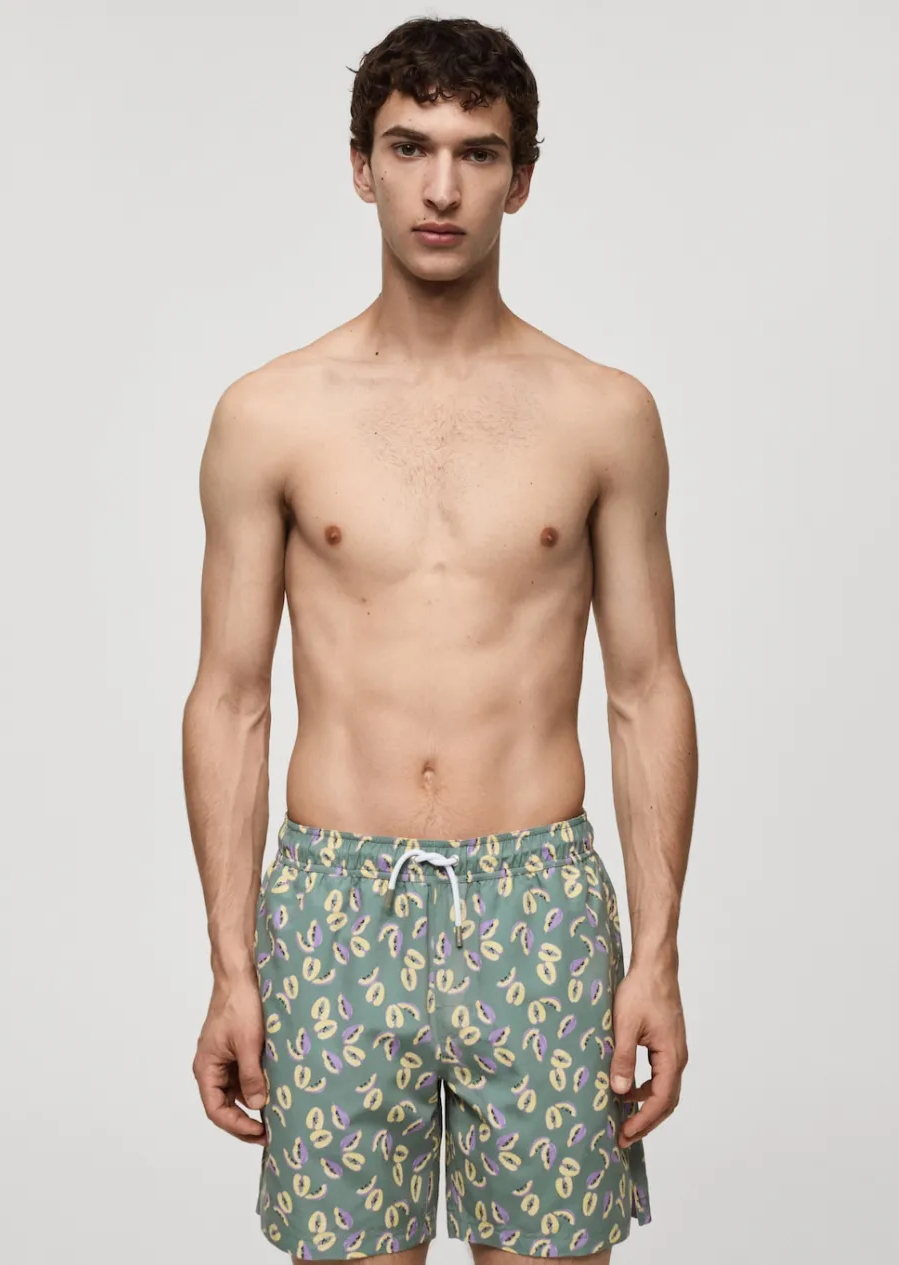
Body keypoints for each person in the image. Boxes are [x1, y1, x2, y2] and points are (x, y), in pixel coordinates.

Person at [182, 15, 696, 1264]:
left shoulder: (604, 414)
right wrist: (232, 963)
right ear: (361, 166)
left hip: (538, 907)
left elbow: (644, 690)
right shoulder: (269, 414)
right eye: (410, 147)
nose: (442, 187)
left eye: (478, 152)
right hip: (333, 912)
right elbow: (231, 699)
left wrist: (658, 955)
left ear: (521, 178)